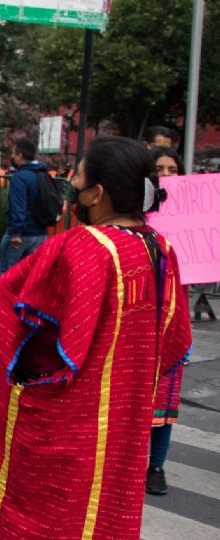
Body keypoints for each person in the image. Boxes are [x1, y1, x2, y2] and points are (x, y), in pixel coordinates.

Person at [0, 137, 191, 540]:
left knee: (45, 515)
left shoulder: (82, 246)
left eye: (79, 175)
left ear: (97, 194)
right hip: (125, 421)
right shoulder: (163, 250)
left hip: (67, 423)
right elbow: (173, 341)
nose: (71, 182)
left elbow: (13, 298)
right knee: (105, 511)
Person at [146, 145, 186, 496]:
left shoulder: (191, 216)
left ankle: (156, 465)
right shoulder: (139, 215)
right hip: (141, 319)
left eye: (172, 168)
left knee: (165, 401)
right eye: (160, 168)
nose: (167, 174)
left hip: (174, 318)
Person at [0, 138, 48, 316]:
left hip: (21, 233)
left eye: (14, 153)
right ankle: (26, 307)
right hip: (40, 233)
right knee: (31, 273)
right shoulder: (43, 175)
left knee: (5, 270)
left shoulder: (21, 177)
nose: (12, 156)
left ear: (20, 155)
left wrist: (16, 232)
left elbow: (19, 206)